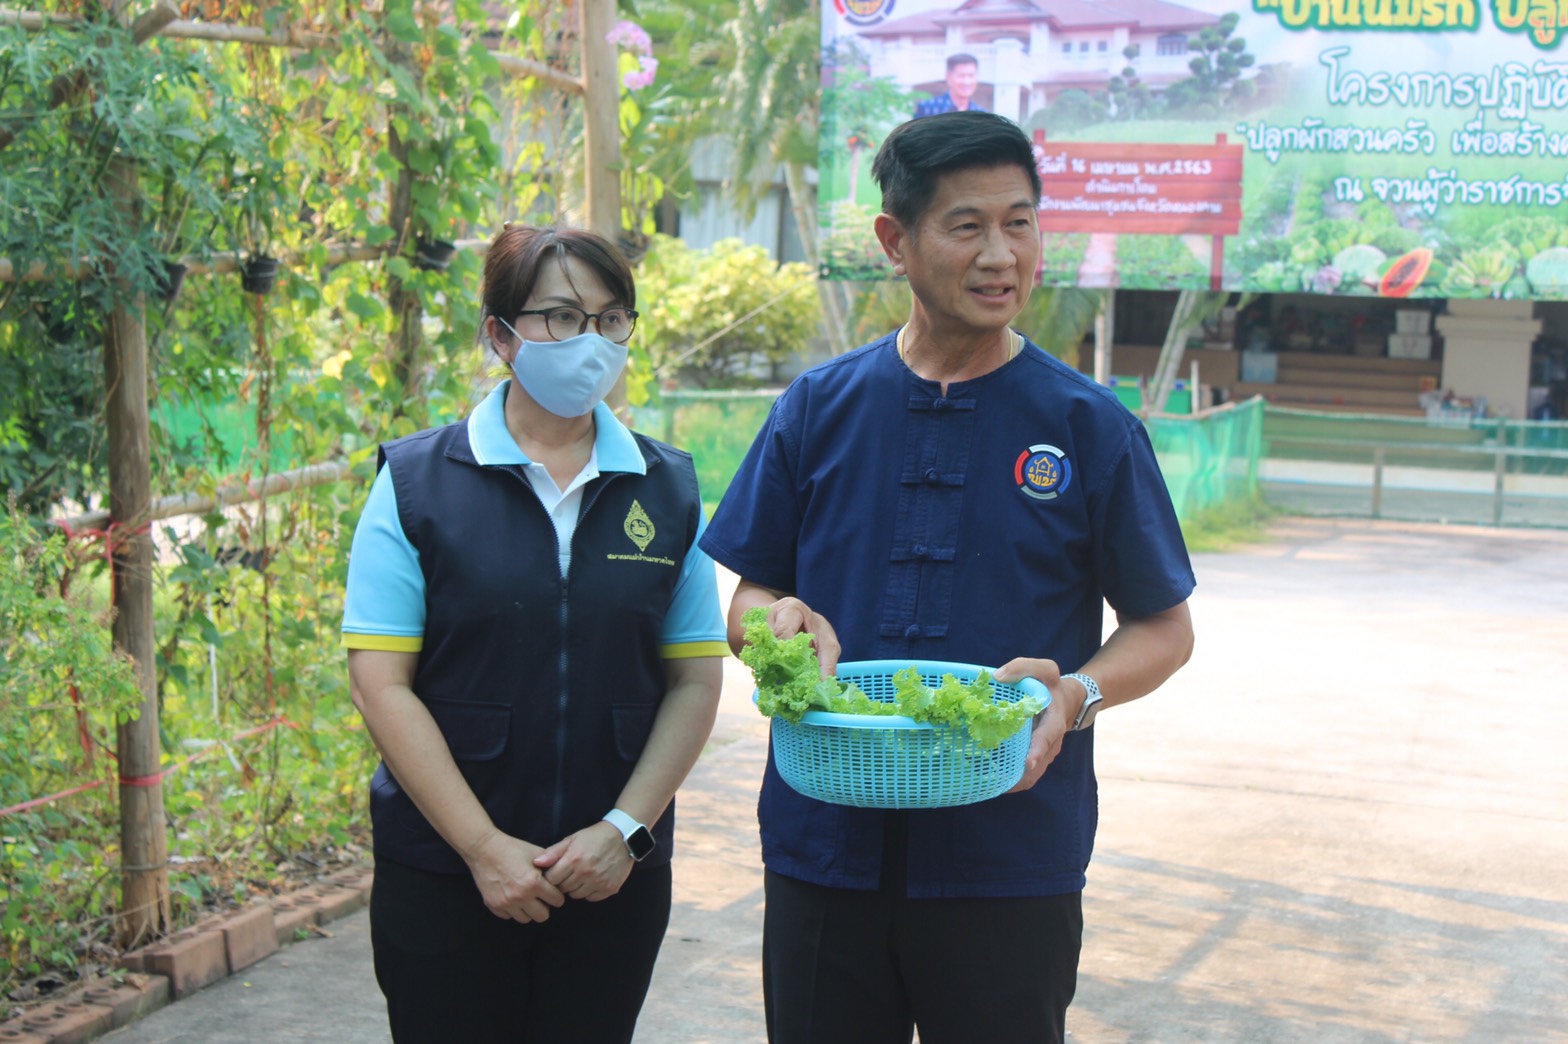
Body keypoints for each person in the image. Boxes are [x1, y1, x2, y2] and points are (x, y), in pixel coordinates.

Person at [699, 111, 1196, 1044]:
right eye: (966, 226)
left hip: (1010, 852)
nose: (1001, 254)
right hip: (824, 844)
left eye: (1021, 222)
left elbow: (1164, 629)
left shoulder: (1087, 425)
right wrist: (775, 626)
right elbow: (750, 594)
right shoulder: (820, 406)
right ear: (897, 240)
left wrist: (1077, 695)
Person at [341, 223, 727, 1043]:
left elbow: (695, 681)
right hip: (444, 873)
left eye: (611, 318)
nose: (589, 341)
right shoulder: (415, 485)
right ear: (499, 335)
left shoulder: (668, 490)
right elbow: (381, 683)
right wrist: (482, 849)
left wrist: (625, 831)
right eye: (559, 316)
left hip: (610, 875)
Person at [913, 52, 986, 118]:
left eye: (971, 75)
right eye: (961, 76)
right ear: (948, 77)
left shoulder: (981, 115)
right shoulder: (928, 108)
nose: (966, 82)